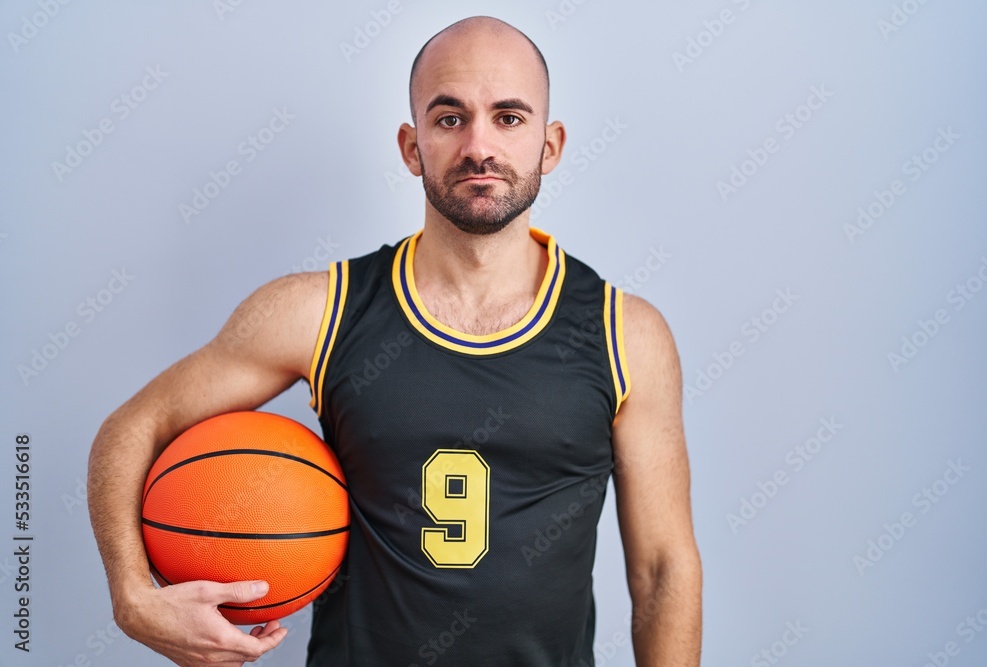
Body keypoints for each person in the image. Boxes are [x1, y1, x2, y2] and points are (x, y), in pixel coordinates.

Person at [87, 15, 702, 667]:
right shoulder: (321, 310)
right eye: (449, 118)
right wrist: (131, 594)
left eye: (509, 118)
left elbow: (663, 570)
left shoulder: (624, 333)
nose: (478, 147)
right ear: (412, 147)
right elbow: (133, 425)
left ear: (550, 146)